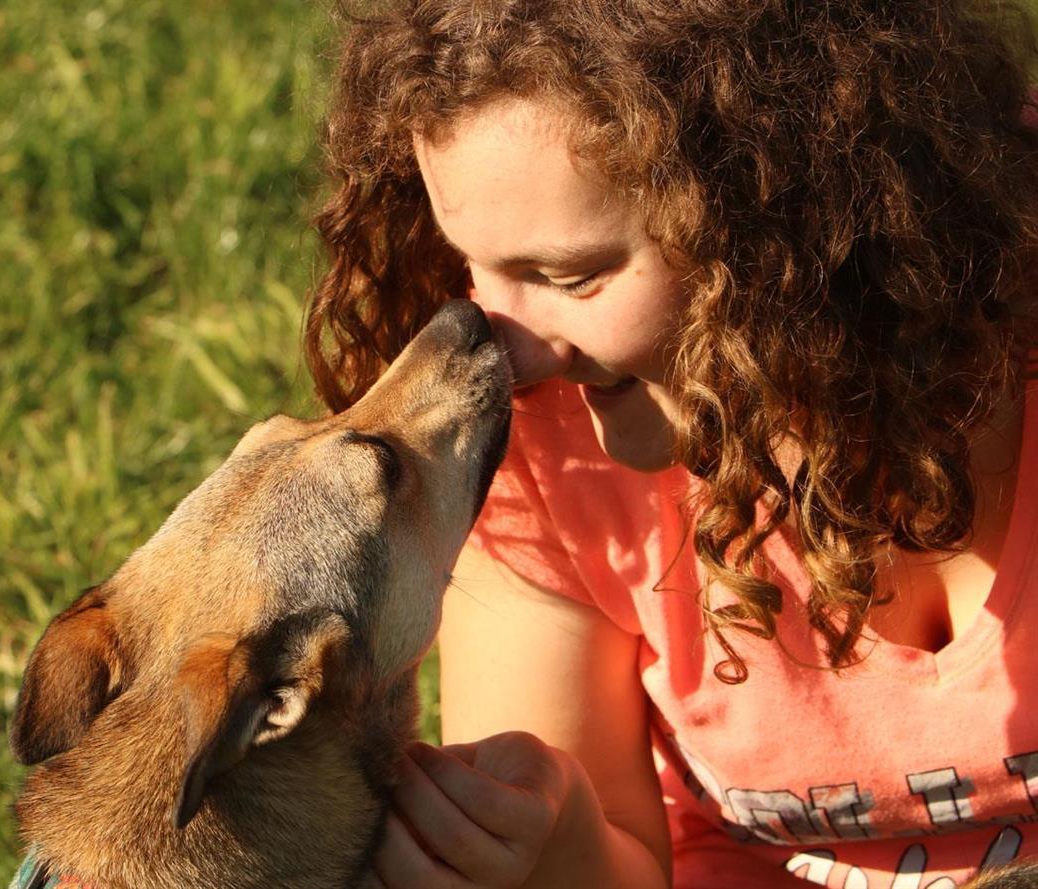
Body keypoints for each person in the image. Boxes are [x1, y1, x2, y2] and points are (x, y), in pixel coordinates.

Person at [304, 2, 1038, 887]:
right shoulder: (549, 454)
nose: (509, 352)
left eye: (571, 276)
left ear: (796, 213)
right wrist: (555, 839)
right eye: (476, 264)